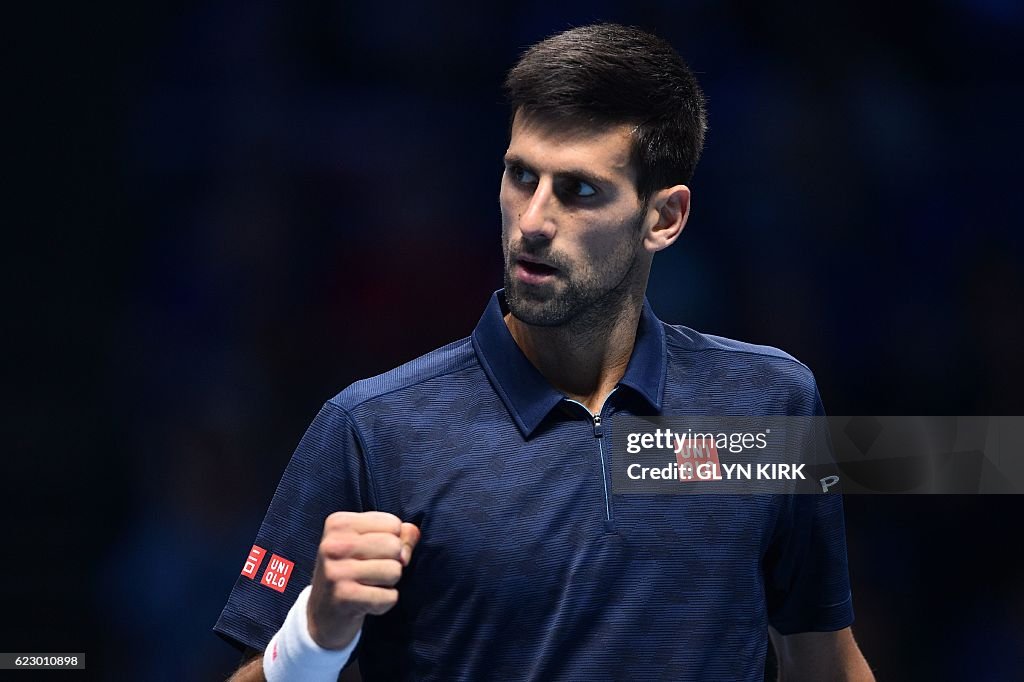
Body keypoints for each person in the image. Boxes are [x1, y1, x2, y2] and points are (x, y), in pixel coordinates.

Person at [215, 23, 874, 681]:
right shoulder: (369, 430)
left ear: (664, 218)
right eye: (520, 176)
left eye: (578, 190)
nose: (531, 220)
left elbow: (825, 662)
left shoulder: (771, 405)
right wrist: (313, 637)